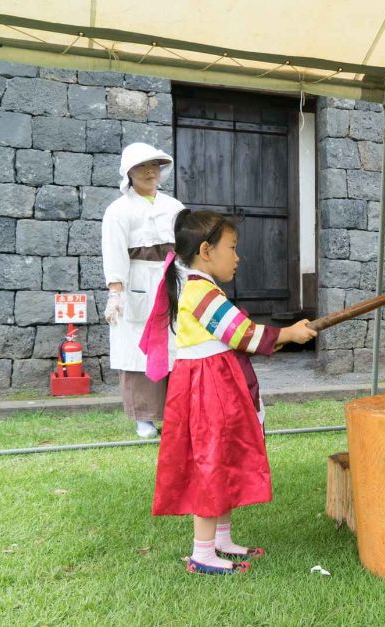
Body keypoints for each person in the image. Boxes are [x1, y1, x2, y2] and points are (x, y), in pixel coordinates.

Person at [141, 209, 316, 575]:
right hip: (207, 392)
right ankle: (202, 552)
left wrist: (278, 339)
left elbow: (235, 337)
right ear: (206, 251)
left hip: (216, 387)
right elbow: (242, 333)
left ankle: (220, 539)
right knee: (209, 462)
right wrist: (288, 334)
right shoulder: (200, 291)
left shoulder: (200, 288)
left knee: (221, 458)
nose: (237, 257)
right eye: (232, 247)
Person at [101, 142, 184, 438]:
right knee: (139, 351)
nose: (150, 172)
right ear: (129, 172)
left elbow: (185, 246)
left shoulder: (174, 206)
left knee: (178, 347)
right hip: (137, 281)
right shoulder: (118, 210)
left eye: (155, 166)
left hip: (172, 280)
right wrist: (116, 291)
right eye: (143, 167)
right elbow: (114, 252)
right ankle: (145, 419)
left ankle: (177, 414)